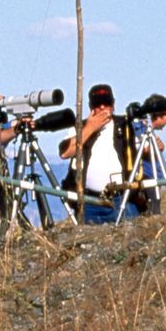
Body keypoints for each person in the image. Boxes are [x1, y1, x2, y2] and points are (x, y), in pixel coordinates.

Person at [60, 83, 136, 225]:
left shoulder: (125, 125)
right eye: (97, 104)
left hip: (122, 198)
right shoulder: (80, 127)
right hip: (90, 201)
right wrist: (90, 128)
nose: (102, 107)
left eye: (106, 103)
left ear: (113, 104)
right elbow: (65, 152)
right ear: (90, 106)